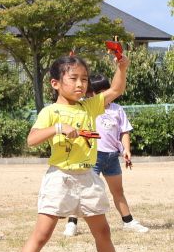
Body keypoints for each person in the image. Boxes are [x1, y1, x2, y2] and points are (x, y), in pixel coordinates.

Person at [7, 53, 148, 252]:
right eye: (73, 78)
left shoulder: (89, 106)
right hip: (60, 178)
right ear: (55, 83)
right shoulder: (51, 111)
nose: (81, 84)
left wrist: (122, 67)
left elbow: (116, 88)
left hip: (88, 177)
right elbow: (32, 139)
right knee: (42, 233)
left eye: (84, 79)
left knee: (103, 231)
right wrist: (59, 127)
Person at [63, 73, 148, 236]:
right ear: (90, 94)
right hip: (92, 156)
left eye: (106, 90)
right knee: (82, 190)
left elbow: (124, 132)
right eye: (99, 92)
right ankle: (72, 223)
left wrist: (126, 150)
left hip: (111, 157)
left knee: (118, 191)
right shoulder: (86, 107)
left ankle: (128, 221)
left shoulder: (117, 110)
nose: (105, 95)